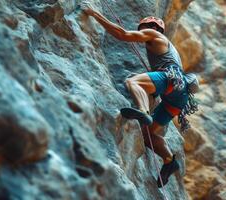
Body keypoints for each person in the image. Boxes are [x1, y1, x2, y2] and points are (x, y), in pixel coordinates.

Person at [82, 4, 195, 188]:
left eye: (142, 29)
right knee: (147, 134)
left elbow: (123, 35)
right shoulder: (169, 48)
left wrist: (95, 14)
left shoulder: (153, 35)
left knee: (133, 82)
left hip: (170, 80)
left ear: (150, 27)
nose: (141, 33)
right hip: (179, 97)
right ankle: (168, 160)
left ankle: (144, 112)